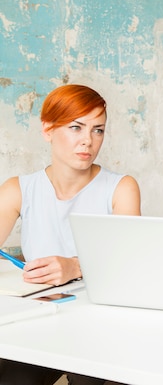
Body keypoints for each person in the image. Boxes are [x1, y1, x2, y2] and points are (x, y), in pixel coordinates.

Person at [0, 84, 141, 384]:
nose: (88, 141)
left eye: (98, 130)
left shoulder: (121, 188)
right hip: (38, 324)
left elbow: (130, 267)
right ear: (47, 130)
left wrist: (75, 266)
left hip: (101, 325)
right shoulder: (18, 189)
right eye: (76, 128)